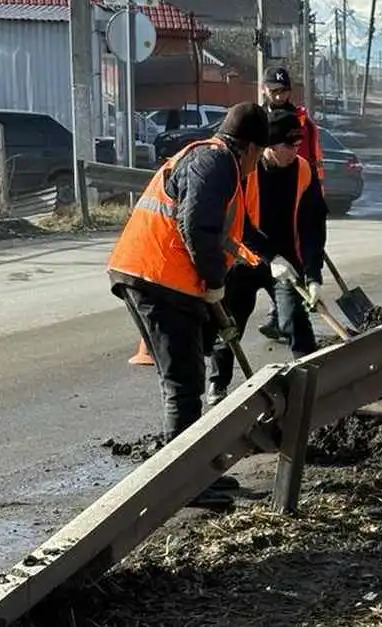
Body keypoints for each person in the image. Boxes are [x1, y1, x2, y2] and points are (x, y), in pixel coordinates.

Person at [107, 102, 269, 509]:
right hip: (156, 278)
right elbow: (197, 226)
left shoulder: (213, 162)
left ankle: (194, 473)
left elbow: (222, 234)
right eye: (258, 158)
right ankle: (183, 484)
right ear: (250, 149)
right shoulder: (215, 164)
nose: (255, 168)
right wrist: (214, 282)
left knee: (187, 377)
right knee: (183, 382)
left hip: (162, 278)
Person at [206, 108, 328, 405]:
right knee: (231, 324)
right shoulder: (246, 170)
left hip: (286, 265)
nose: (295, 152)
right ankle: (217, 385)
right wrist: (269, 257)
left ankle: (311, 384)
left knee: (295, 321)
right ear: (270, 146)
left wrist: (313, 275)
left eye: (298, 146)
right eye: (289, 146)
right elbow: (240, 226)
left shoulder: (303, 170)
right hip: (244, 261)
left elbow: (314, 227)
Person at [259, 66, 325, 341]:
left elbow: (313, 159)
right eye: (273, 91)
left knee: (292, 302)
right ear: (264, 89)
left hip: (297, 198)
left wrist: (313, 274)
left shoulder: (303, 123)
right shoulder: (255, 120)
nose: (278, 96)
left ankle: (284, 318)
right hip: (255, 236)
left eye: (283, 91)